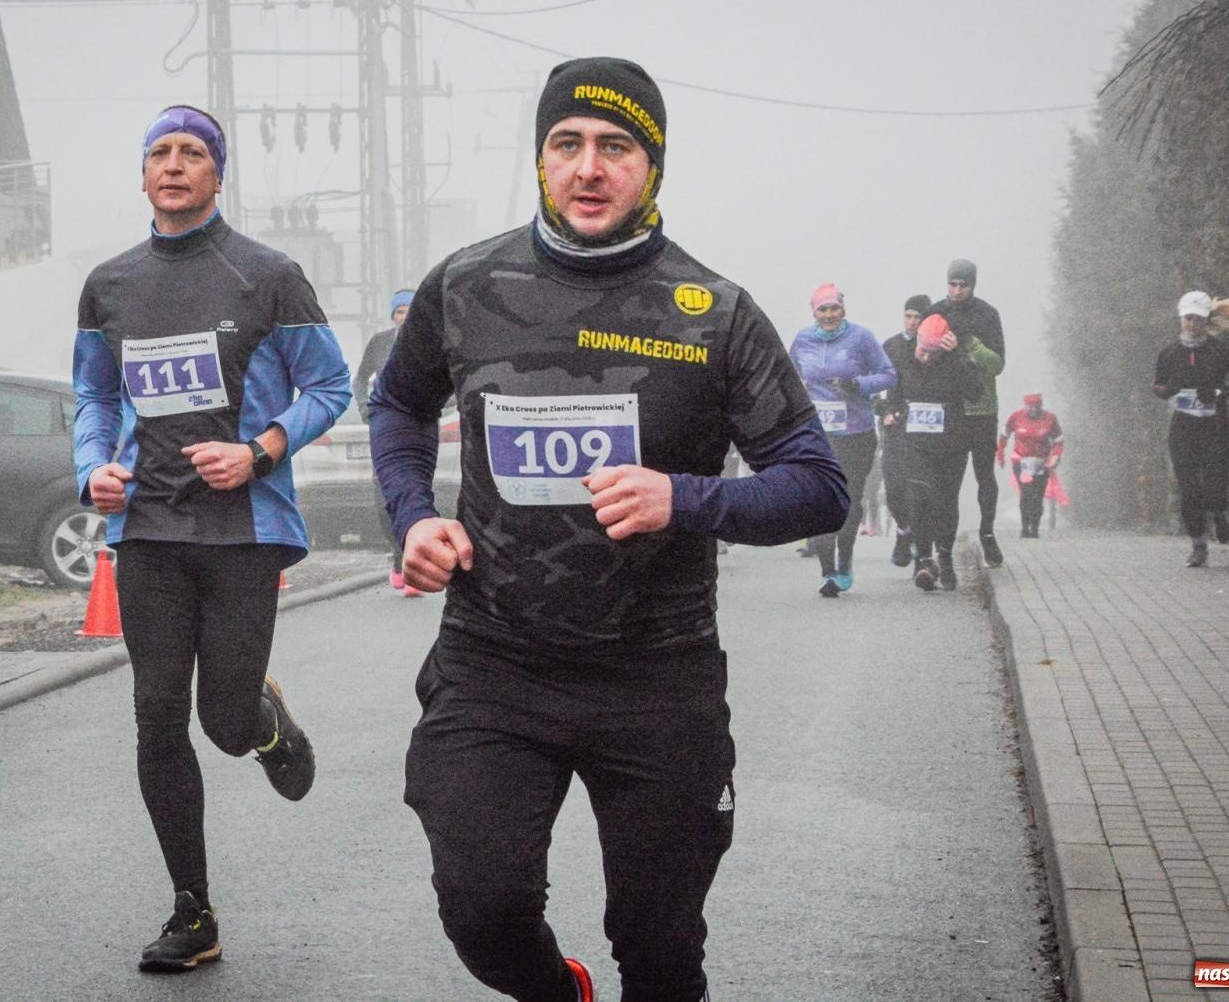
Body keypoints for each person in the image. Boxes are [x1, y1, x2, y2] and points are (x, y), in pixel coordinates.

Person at [368, 57, 848, 1002]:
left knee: (662, 949)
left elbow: (818, 487)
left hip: (656, 674)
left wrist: (687, 498)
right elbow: (396, 408)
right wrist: (413, 517)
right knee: (482, 906)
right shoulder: (466, 284)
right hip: (494, 661)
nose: (590, 168)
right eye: (567, 144)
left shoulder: (711, 312)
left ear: (652, 166)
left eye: (616, 147)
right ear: (541, 160)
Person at [72, 104, 351, 973]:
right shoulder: (110, 285)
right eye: (160, 151)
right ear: (144, 172)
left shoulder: (267, 275)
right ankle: (193, 912)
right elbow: (92, 397)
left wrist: (260, 450)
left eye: (194, 152)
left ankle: (263, 721)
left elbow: (330, 386)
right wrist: (92, 469)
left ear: (218, 175)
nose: (175, 164)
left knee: (220, 724)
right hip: (147, 530)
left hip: (242, 532)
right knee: (157, 717)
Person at [788, 283, 896, 596]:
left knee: (849, 500)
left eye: (834, 308)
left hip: (856, 433)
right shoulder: (803, 339)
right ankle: (828, 572)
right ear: (814, 312)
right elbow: (787, 377)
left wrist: (857, 384)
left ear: (843, 309)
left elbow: (889, 375)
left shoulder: (861, 337)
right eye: (823, 309)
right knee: (821, 498)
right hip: (817, 435)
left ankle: (845, 557)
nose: (829, 315)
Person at [1152, 290, 1229, 567]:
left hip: (1215, 427)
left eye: (1198, 319)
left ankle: (1219, 513)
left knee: (1215, 485)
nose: (1193, 325)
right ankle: (1198, 546)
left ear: (1207, 321)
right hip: (1182, 429)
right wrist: (1168, 390)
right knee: (1189, 490)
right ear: (1181, 319)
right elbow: (1157, 386)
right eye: (1188, 319)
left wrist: (1219, 393)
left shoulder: (1220, 351)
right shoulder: (1169, 353)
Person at [889, 313, 985, 591]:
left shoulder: (956, 362)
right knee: (919, 497)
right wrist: (892, 412)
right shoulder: (906, 361)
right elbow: (893, 397)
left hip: (952, 445)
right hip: (916, 445)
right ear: (916, 341)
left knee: (945, 501)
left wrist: (959, 357)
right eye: (922, 350)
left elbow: (976, 393)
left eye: (933, 353)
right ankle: (923, 559)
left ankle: (944, 556)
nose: (926, 357)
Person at [928, 259, 1006, 567]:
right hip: (950, 408)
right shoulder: (937, 313)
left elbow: (998, 364)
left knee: (984, 474)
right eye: (952, 284)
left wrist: (970, 346)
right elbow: (924, 357)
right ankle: (943, 545)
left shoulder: (988, 314)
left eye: (963, 285)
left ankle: (987, 533)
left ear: (973, 285)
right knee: (949, 481)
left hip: (982, 407)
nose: (957, 291)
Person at [356, 289, 419, 593]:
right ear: (392, 315)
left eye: (409, 311)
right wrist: (364, 408)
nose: (404, 317)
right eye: (399, 312)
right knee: (383, 502)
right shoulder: (379, 342)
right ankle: (399, 558)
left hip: (418, 428)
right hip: (384, 427)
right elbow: (359, 379)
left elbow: (446, 380)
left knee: (412, 493)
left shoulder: (428, 341)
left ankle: (410, 564)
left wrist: (440, 405)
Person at [876, 294, 931, 566]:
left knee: (919, 489)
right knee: (894, 488)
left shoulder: (933, 349)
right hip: (895, 426)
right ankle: (903, 530)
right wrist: (885, 411)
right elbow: (874, 387)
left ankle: (923, 553)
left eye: (917, 317)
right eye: (907, 316)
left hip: (923, 428)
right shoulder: (891, 346)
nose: (911, 322)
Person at [997, 393, 1064, 538]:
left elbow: (1058, 440)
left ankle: (1035, 527)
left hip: (1041, 462)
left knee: (1038, 495)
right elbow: (1004, 435)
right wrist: (1000, 454)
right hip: (1021, 462)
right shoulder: (1016, 417)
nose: (1033, 410)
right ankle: (1024, 526)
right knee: (1026, 493)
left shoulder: (1050, 418)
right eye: (1030, 406)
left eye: (1037, 406)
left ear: (1041, 406)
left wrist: (1055, 456)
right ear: (1024, 405)